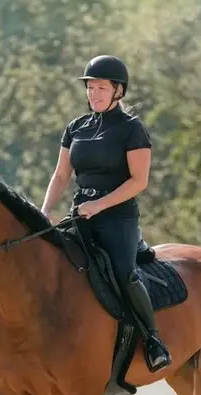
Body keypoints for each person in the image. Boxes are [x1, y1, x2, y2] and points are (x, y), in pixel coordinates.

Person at [40, 54, 172, 372]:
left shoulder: (131, 129)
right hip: (80, 215)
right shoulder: (76, 128)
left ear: (118, 91)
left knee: (125, 274)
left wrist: (99, 205)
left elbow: (139, 181)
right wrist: (44, 212)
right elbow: (60, 176)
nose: (94, 94)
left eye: (101, 88)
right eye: (90, 88)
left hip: (118, 218)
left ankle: (153, 341)